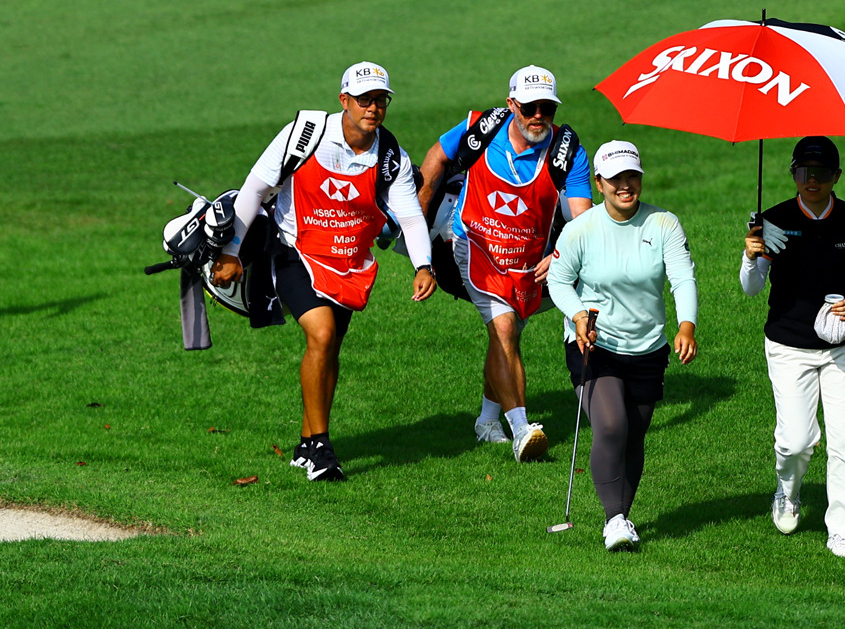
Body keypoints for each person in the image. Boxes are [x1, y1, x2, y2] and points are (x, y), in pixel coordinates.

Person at [211, 62, 436, 482]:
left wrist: (424, 264)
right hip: (294, 250)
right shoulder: (305, 134)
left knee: (329, 350)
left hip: (349, 262)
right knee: (322, 334)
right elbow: (255, 188)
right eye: (364, 99)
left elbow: (408, 215)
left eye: (380, 100)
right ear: (344, 100)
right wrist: (231, 252)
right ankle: (320, 448)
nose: (373, 107)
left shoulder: (391, 155)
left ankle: (304, 444)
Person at [417, 65, 591, 462]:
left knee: (506, 340)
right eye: (529, 107)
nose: (538, 116)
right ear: (512, 103)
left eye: (546, 107)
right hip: (473, 246)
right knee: (504, 327)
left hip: (529, 262)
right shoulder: (480, 129)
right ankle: (522, 430)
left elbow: (582, 222)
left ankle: (486, 422)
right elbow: (436, 158)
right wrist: (418, 229)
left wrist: (560, 254)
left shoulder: (569, 153)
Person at [547, 140, 697, 551]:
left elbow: (682, 278)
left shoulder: (664, 224)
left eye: (631, 176)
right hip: (594, 343)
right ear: (599, 184)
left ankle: (623, 516)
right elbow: (558, 280)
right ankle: (614, 520)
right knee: (611, 425)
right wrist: (578, 315)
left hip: (648, 347)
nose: (625, 185)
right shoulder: (580, 230)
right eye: (615, 179)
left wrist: (686, 326)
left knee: (635, 432)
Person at [739, 136, 845, 559]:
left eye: (822, 172)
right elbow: (751, 289)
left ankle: (841, 531)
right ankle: (788, 491)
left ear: (837, 176)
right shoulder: (772, 221)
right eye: (805, 171)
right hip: (788, 345)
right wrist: (751, 256)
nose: (813, 179)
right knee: (796, 441)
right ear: (793, 174)